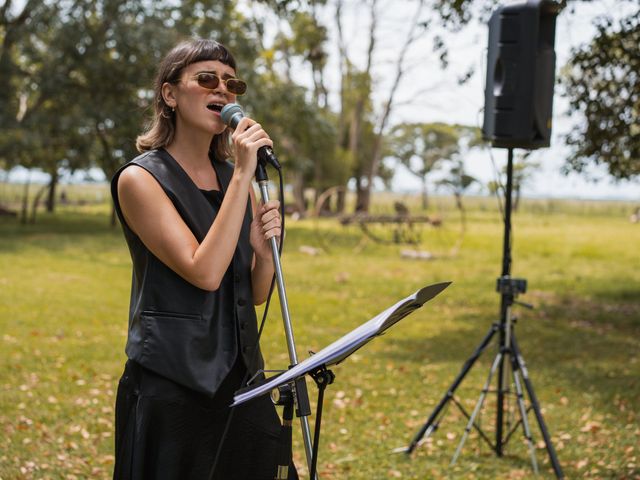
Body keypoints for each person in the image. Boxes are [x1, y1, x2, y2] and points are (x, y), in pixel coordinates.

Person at [110, 38, 298, 480]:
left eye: (232, 84)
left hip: (242, 380)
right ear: (170, 94)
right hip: (173, 387)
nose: (223, 91)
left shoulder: (234, 178)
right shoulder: (141, 179)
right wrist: (244, 177)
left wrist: (263, 254)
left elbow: (252, 294)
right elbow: (204, 271)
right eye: (207, 79)